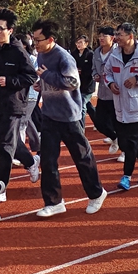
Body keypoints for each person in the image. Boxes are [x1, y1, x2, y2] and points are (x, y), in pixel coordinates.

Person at [31, 19, 107, 217]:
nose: (35, 43)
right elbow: (47, 77)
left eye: (38, 39)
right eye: (33, 39)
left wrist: (47, 78)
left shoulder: (63, 57)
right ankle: (54, 201)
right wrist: (41, 85)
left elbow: (73, 82)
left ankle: (96, 193)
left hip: (68, 116)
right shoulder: (40, 55)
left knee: (82, 157)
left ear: (50, 39)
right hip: (49, 114)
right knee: (47, 160)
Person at [0, 9, 40, 203]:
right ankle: (30, 161)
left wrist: (9, 81)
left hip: (14, 105)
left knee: (4, 147)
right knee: (10, 142)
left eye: (1, 29)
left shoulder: (18, 51)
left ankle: (0, 186)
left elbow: (31, 76)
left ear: (10, 30)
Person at [104, 22, 138, 189]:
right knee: (124, 142)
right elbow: (107, 73)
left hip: (137, 105)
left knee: (132, 142)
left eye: (120, 34)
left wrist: (137, 79)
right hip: (119, 104)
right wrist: (110, 84)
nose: (117, 38)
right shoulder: (114, 53)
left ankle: (126, 176)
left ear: (130, 36)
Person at [92, 26, 120, 158]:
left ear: (112, 38)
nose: (101, 38)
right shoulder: (96, 52)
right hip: (102, 93)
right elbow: (94, 69)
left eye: (105, 36)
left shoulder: (118, 52)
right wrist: (95, 75)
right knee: (99, 122)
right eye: (100, 36)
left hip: (115, 94)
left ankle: (125, 150)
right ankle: (115, 138)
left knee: (117, 122)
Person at [71, 34, 96, 125]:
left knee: (81, 105)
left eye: (81, 42)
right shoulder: (73, 54)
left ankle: (81, 129)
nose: (79, 44)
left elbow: (90, 70)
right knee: (87, 105)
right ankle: (99, 122)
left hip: (87, 85)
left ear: (86, 44)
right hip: (77, 84)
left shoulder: (90, 54)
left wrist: (81, 71)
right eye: (77, 42)